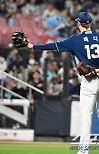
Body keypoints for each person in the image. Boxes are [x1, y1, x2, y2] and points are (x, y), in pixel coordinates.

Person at [26, 12, 99, 154]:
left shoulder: (74, 40)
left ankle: (84, 150)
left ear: (79, 24)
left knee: (86, 116)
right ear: (90, 23)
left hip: (89, 82)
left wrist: (31, 46)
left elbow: (52, 46)